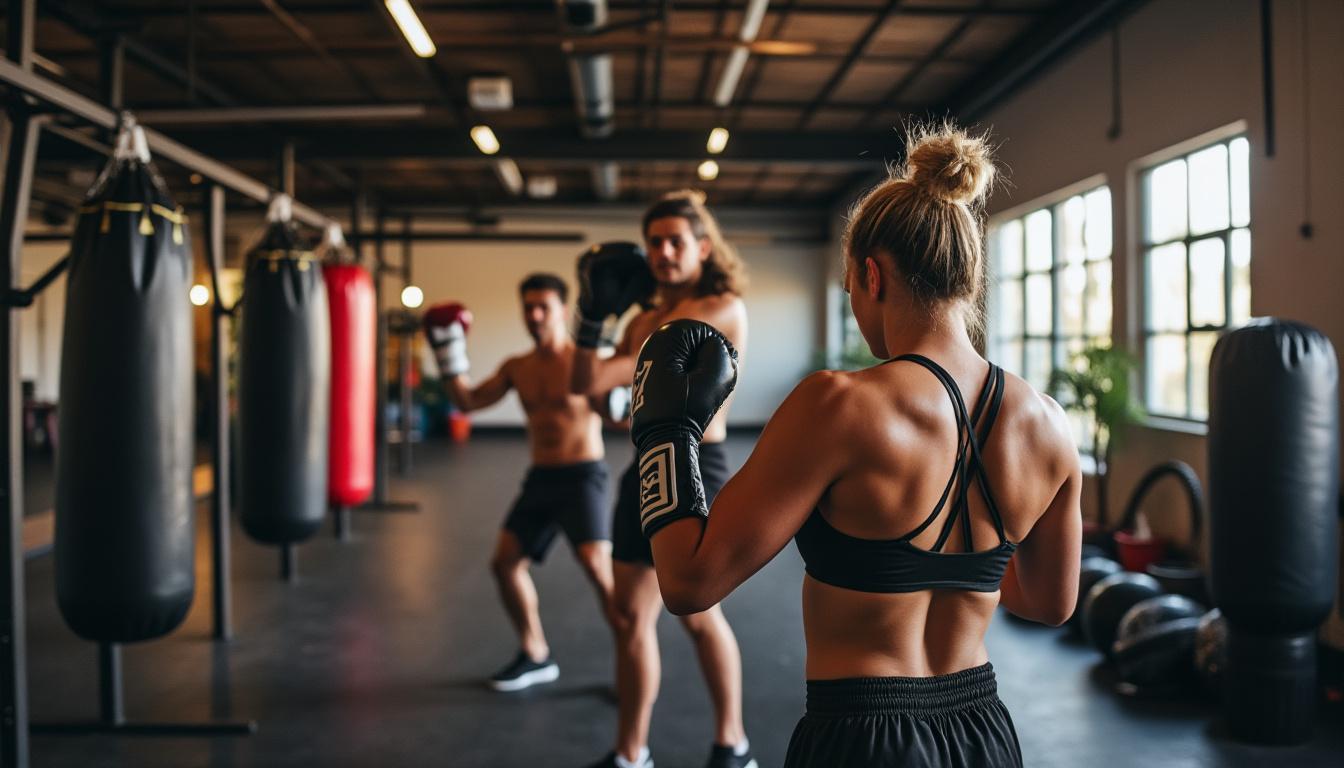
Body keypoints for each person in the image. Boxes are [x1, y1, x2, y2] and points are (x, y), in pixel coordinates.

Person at [629, 126, 1082, 767]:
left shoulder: (838, 405)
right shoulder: (1050, 424)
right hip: (983, 735)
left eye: (849, 289)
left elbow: (688, 581)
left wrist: (662, 433)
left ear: (872, 274)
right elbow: (1048, 603)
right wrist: (961, 562)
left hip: (864, 737)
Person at [571, 193, 757, 768]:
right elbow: (588, 385)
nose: (663, 252)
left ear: (704, 248)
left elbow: (615, 366)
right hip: (644, 463)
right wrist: (593, 316)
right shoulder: (640, 319)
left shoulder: (723, 308)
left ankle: (733, 744)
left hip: (702, 465)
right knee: (628, 615)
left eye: (677, 240)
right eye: (654, 242)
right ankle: (631, 753)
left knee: (698, 614)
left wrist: (606, 350)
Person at [423, 273, 618, 692]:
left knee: (598, 569)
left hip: (583, 476)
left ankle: (632, 657)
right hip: (542, 477)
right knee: (505, 564)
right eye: (528, 308)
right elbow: (468, 402)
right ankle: (535, 654)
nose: (534, 316)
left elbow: (620, 414)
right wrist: (447, 352)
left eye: (543, 307)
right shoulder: (519, 368)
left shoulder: (583, 363)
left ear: (562, 312)